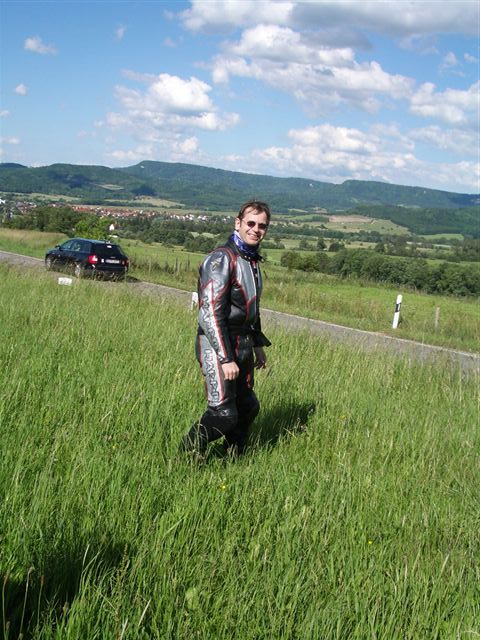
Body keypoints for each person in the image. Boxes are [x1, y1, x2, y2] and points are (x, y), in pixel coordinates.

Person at [180, 200, 271, 459]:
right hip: (218, 343)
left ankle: (233, 457)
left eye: (262, 226)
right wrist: (226, 357)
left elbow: (252, 307)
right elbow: (209, 313)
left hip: (243, 342)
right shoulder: (222, 258)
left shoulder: (251, 260)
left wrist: (257, 345)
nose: (256, 229)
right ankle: (187, 454)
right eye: (250, 223)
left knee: (247, 407)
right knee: (223, 414)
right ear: (238, 223)